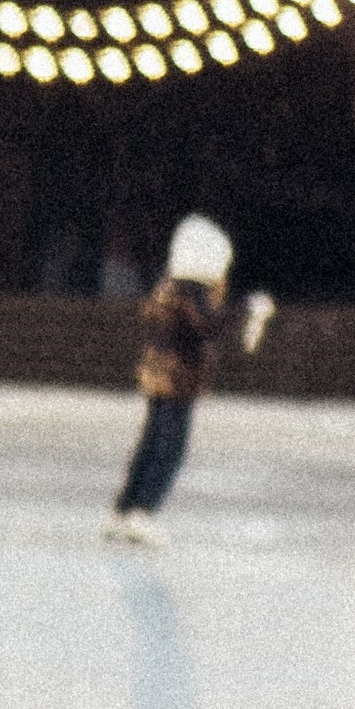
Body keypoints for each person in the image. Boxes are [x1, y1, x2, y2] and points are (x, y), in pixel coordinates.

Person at [105, 213, 274, 543]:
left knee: (151, 442)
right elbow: (207, 325)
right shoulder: (191, 290)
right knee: (169, 446)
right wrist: (245, 307)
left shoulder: (168, 285)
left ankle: (123, 509)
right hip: (176, 377)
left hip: (159, 373)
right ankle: (142, 511)